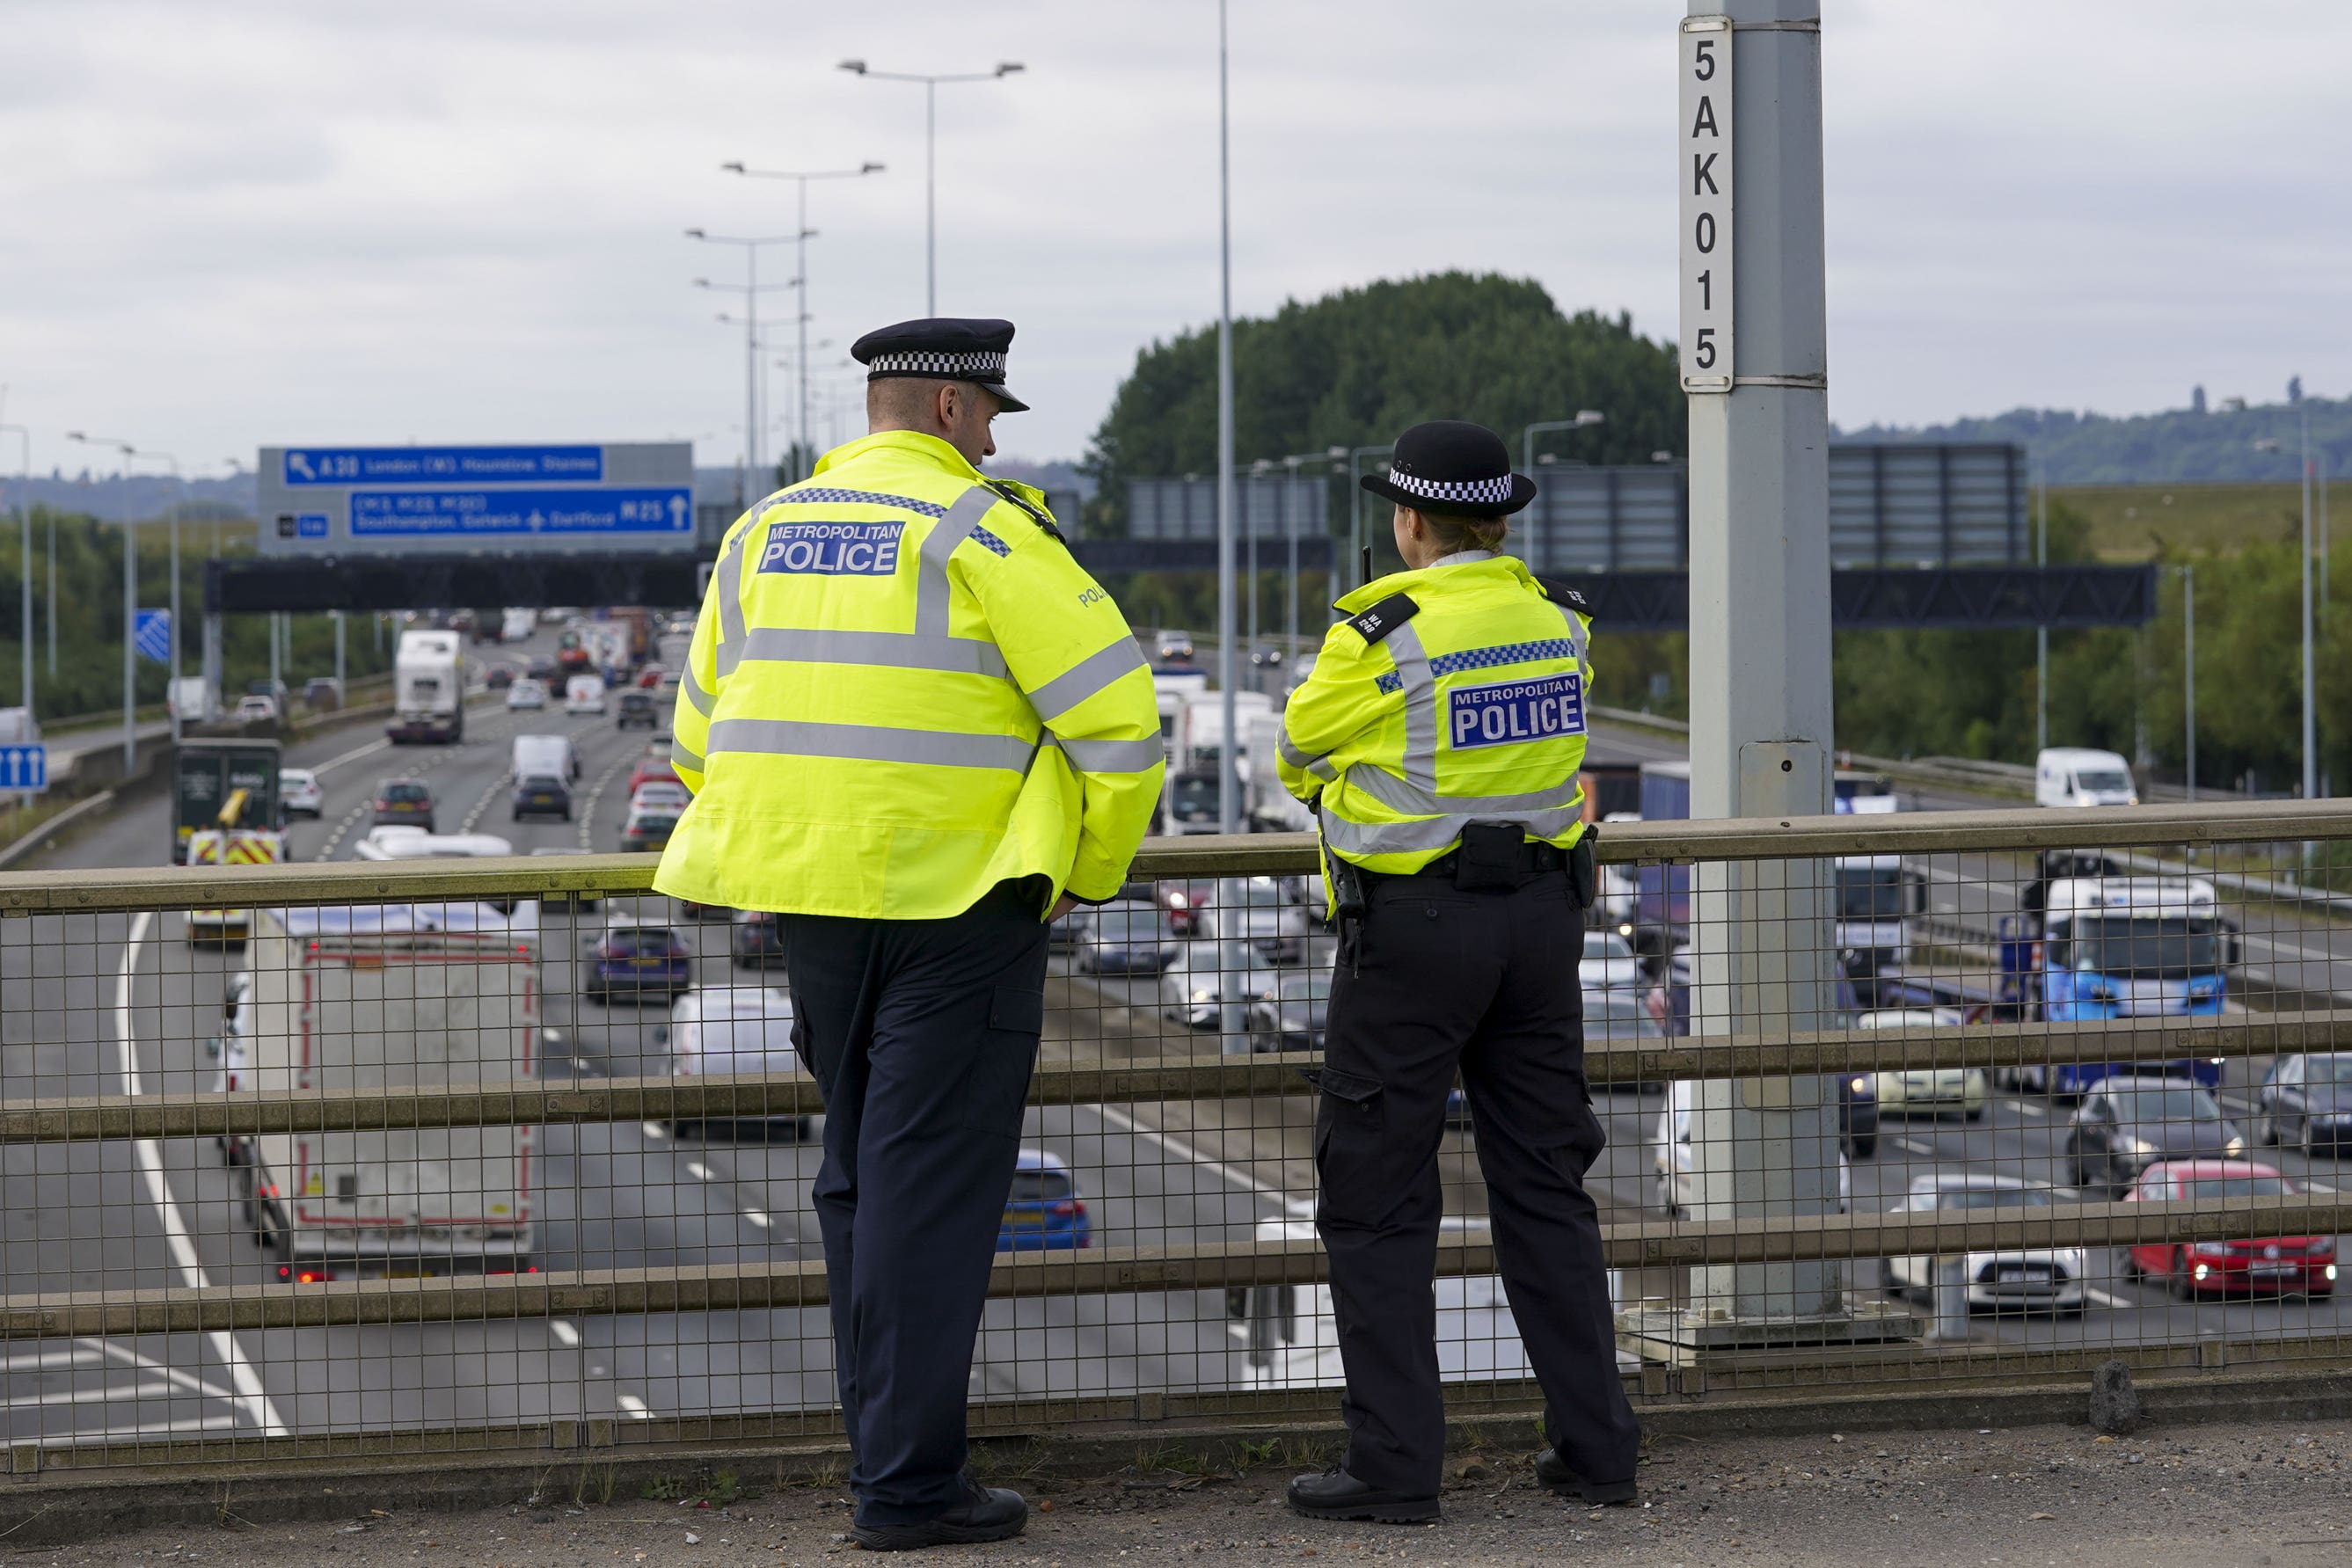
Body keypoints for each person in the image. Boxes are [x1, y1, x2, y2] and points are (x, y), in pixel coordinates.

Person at [654, 317, 1164, 1551]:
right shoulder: (983, 530)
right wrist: (1079, 873)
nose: (993, 438)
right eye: (990, 415)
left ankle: (881, 1450)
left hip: (813, 905)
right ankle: (906, 1488)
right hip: (959, 907)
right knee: (924, 1192)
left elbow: (694, 739)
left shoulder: (762, 532)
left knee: (862, 1180)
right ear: (945, 406)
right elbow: (1119, 724)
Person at [1273, 419, 1641, 1523]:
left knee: (1379, 1199)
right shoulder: (1557, 623)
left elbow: (1297, 753)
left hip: (1412, 938)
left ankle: (1393, 1471)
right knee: (1544, 1189)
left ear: (1410, 522)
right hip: (1540, 927)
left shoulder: (1375, 631)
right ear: (1502, 517)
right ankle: (1597, 1451)